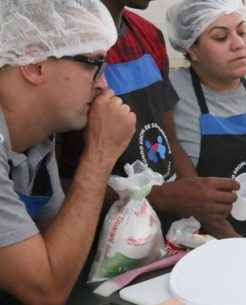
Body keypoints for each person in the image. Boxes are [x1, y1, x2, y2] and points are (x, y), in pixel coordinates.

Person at [59, 0, 241, 238]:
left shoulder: (147, 35)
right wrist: (159, 196)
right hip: (94, 242)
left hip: (163, 236)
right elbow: (51, 186)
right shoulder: (61, 40)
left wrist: (221, 230)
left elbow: (169, 142)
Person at [0, 1, 136, 304]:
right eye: (94, 63)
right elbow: (47, 290)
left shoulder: (37, 140)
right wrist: (100, 154)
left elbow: (58, 248)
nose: (103, 85)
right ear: (35, 65)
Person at [166, 0, 246, 242]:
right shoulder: (172, 97)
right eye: (220, 37)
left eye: (241, 31)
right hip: (199, 248)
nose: (238, 44)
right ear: (191, 49)